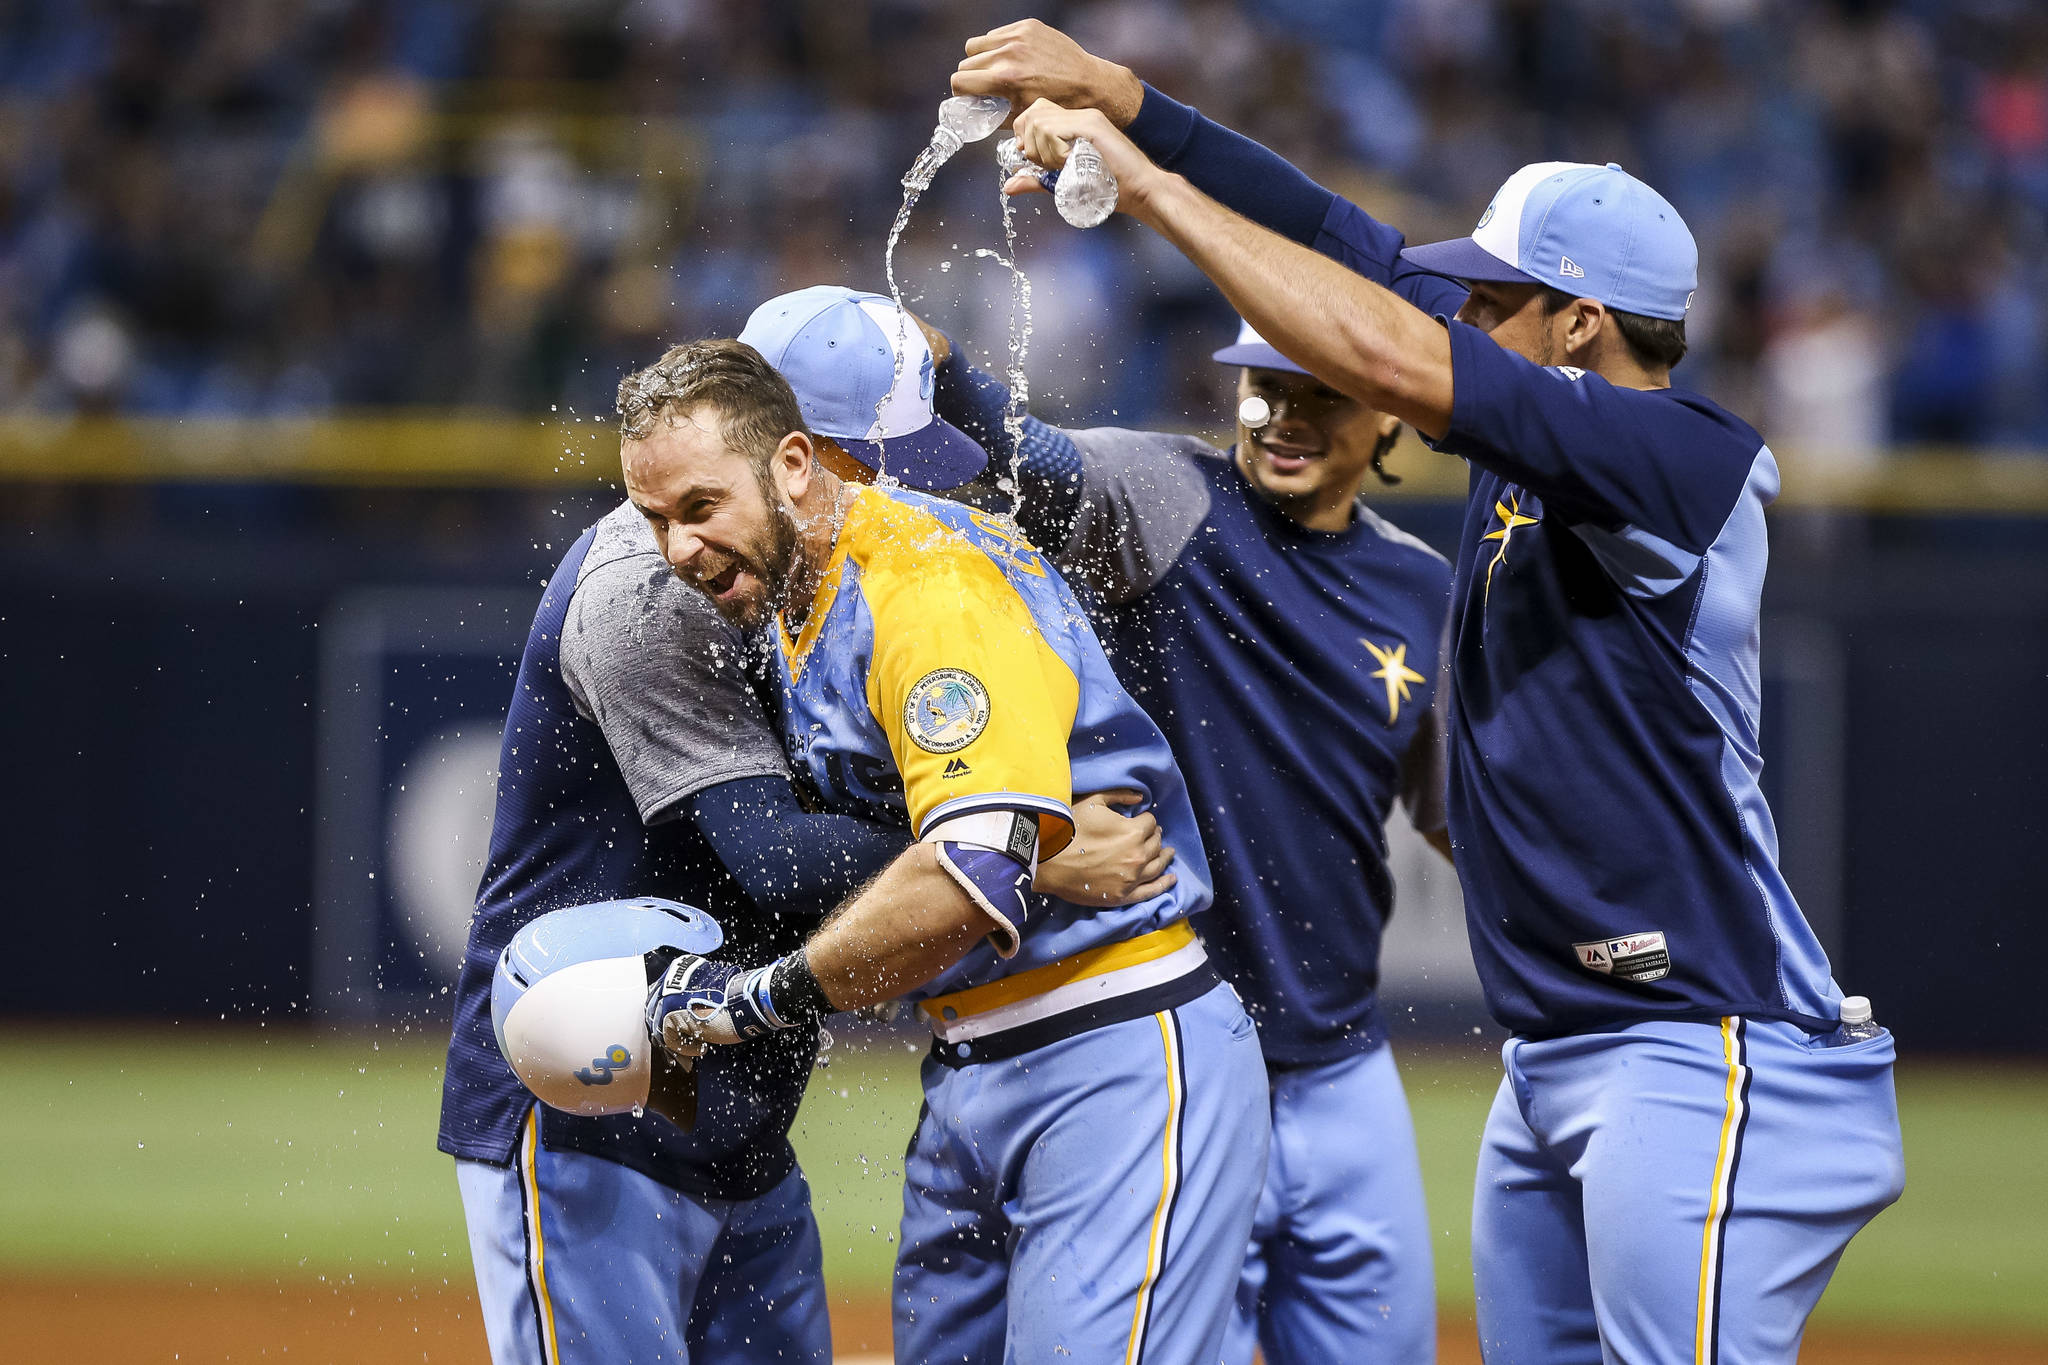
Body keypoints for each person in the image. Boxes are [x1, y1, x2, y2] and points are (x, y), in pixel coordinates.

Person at [957, 20, 1906, 1363]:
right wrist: (1130, 100)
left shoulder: (1676, 455)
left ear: (1578, 323)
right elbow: (1333, 238)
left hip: (1704, 1041)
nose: (1454, 309)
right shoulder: (1548, 426)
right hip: (1562, 1047)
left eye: (1490, 297)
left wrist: (1143, 185)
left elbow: (1396, 359)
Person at [438, 283, 1168, 1365]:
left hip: (735, 1078)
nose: (885, 493)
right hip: (590, 1079)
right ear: (795, 453)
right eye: (867, 463)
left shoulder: (828, 570)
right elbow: (773, 856)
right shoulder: (648, 594)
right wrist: (1027, 852)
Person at [632, 286, 1269, 1365]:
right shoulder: (794, 590)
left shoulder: (923, 583)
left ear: (793, 456)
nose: (677, 546)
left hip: (1105, 1040)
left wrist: (757, 1000)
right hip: (974, 1061)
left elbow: (973, 868)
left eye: (700, 506)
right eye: (661, 518)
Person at [914, 310, 1453, 1364]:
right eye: (1264, 387)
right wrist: (947, 370)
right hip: (1176, 1055)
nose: (1281, 415)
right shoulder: (1170, 495)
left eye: (1321, 393)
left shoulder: (1423, 587)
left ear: (1391, 412)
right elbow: (1029, 458)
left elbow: (1458, 818)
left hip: (1344, 1061)